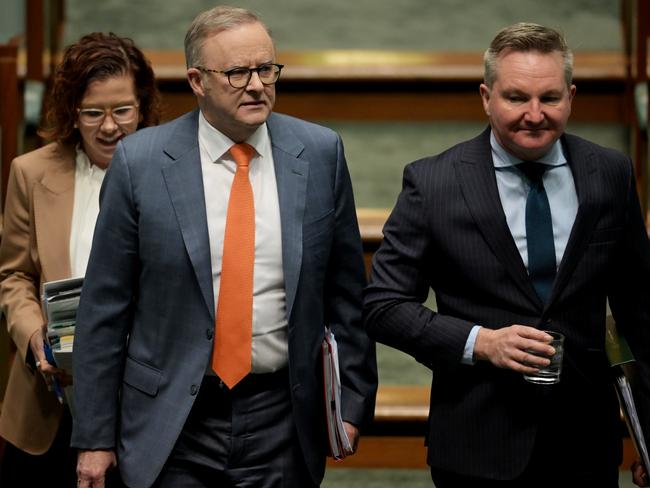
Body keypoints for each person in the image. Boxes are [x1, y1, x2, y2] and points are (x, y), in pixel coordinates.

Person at [71, 6, 377, 488]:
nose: (256, 85)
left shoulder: (319, 154)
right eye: (236, 73)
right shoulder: (141, 163)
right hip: (172, 418)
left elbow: (345, 294)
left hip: (282, 414)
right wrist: (94, 437)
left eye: (266, 69)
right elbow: (104, 309)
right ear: (197, 80)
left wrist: (353, 402)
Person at [364, 22, 650, 488]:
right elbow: (383, 306)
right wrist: (482, 343)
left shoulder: (609, 174)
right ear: (486, 96)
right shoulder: (432, 182)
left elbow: (640, 311)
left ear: (571, 97)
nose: (534, 115)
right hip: (477, 442)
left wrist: (647, 434)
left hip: (585, 444)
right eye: (516, 98)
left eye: (550, 98)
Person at [0, 32, 160, 486]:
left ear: (143, 107)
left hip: (141, 407)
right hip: (50, 406)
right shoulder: (30, 173)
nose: (109, 127)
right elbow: (13, 275)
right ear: (72, 111)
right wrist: (33, 336)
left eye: (122, 111)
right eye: (93, 113)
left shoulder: (173, 175)